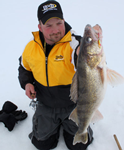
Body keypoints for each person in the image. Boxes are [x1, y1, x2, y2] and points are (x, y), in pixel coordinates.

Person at [18, 0, 93, 150]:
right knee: (42, 144)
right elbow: (24, 68)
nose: (55, 30)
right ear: (40, 27)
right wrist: (27, 83)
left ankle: (71, 125)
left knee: (79, 145)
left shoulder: (73, 43)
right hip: (45, 103)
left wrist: (86, 49)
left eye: (59, 23)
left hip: (73, 104)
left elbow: (81, 53)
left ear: (64, 21)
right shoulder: (31, 48)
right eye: (48, 25)